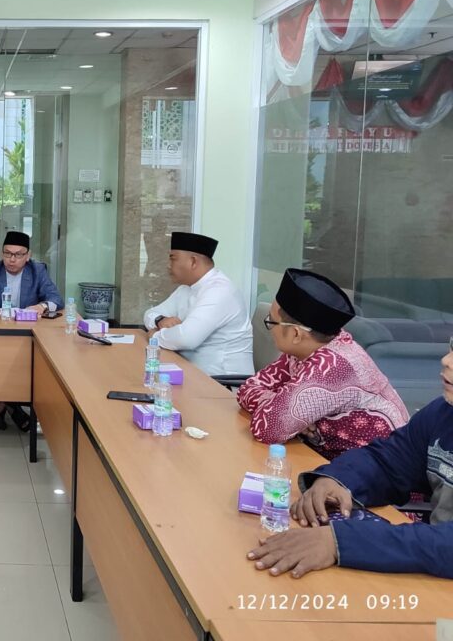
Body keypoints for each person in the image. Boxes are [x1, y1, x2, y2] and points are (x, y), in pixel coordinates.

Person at [246, 343, 453, 580]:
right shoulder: (442, 414)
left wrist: (341, 542)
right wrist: (338, 480)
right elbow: (388, 461)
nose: (446, 360)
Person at [237, 268, 408, 460]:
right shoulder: (308, 347)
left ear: (295, 334)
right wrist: (285, 409)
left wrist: (288, 414)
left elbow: (267, 429)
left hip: (378, 474)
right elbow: (249, 387)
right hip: (329, 460)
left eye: (271, 322)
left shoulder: (332, 367)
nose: (269, 328)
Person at [0, 230, 63, 434]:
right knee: (8, 364)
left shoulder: (38, 271)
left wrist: (42, 306)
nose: (12, 259)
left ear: (28, 256)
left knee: (26, 364)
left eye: (18, 254)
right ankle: (12, 407)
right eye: (7, 253)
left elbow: (56, 298)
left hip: (26, 338)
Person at [143, 231, 253, 377]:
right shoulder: (187, 288)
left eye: (173, 259)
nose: (168, 266)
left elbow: (186, 338)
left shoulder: (220, 291)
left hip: (222, 383)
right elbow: (149, 313)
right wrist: (160, 320)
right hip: (191, 372)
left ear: (193, 262)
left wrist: (155, 335)